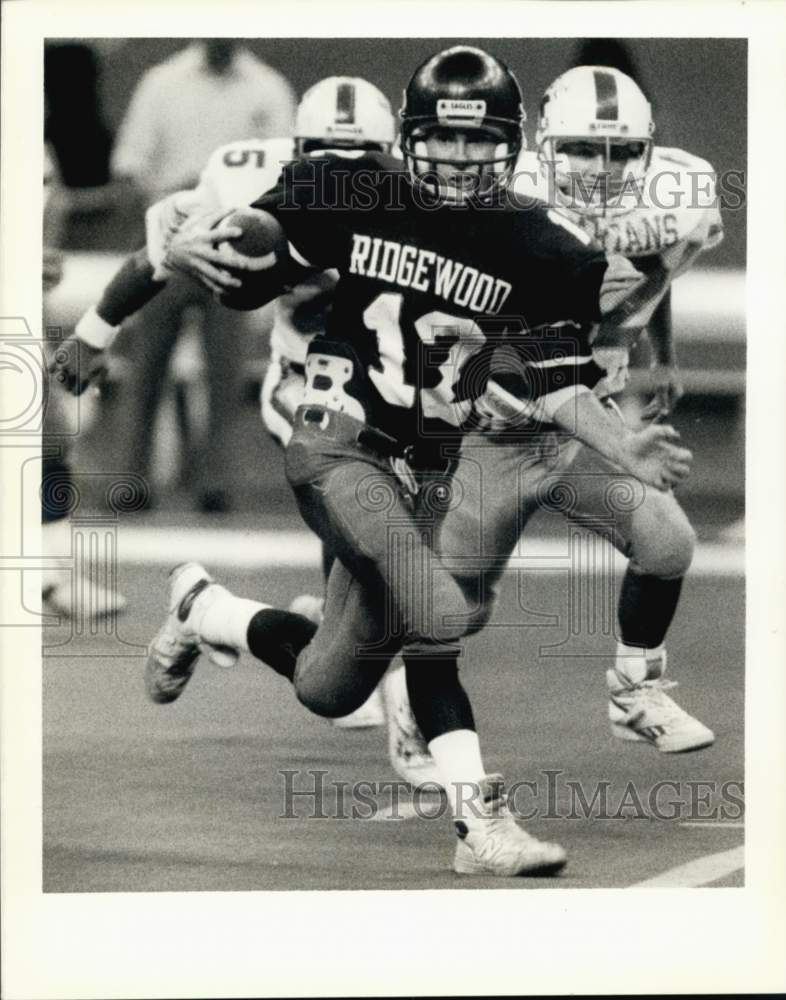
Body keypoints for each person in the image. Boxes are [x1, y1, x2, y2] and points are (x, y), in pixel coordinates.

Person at [139, 47, 690, 877]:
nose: (461, 159)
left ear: (512, 145)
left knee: (333, 684)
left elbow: (550, 379)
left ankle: (202, 608)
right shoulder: (356, 184)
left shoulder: (548, 248)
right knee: (437, 612)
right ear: (409, 135)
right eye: (443, 138)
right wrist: (213, 239)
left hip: (430, 466)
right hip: (339, 438)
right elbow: (262, 237)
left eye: (480, 142)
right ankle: (479, 825)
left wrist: (621, 445)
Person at [108, 40, 298, 511]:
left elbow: (291, 173)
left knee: (225, 374)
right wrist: (171, 208)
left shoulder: (269, 88)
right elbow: (129, 163)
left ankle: (216, 484)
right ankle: (132, 480)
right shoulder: (162, 82)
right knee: (145, 367)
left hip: (236, 239)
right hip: (171, 236)